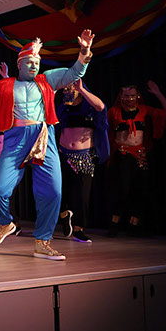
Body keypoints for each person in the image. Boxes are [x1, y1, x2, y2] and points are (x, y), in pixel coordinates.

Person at [0, 30, 94, 261]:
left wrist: (84, 51)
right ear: (19, 64)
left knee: (53, 191)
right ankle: (5, 223)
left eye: (37, 62)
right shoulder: (4, 85)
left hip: (43, 136)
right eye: (29, 62)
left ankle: (42, 242)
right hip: (15, 138)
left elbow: (74, 73)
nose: (34, 66)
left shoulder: (47, 80)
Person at [106, 82, 166, 236]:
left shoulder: (144, 110)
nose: (129, 99)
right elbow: (102, 126)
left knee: (140, 189)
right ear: (120, 96)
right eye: (126, 96)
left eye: (132, 95)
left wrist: (158, 94)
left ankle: (134, 224)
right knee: (122, 189)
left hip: (140, 155)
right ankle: (114, 223)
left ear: (137, 96)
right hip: (122, 154)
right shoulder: (114, 112)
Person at [55, 79, 108, 243]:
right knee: (58, 191)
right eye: (66, 88)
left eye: (72, 87)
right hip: (63, 153)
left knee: (82, 195)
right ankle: (64, 215)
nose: (68, 90)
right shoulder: (62, 108)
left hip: (84, 156)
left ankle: (79, 229)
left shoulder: (89, 106)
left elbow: (101, 106)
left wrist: (82, 90)